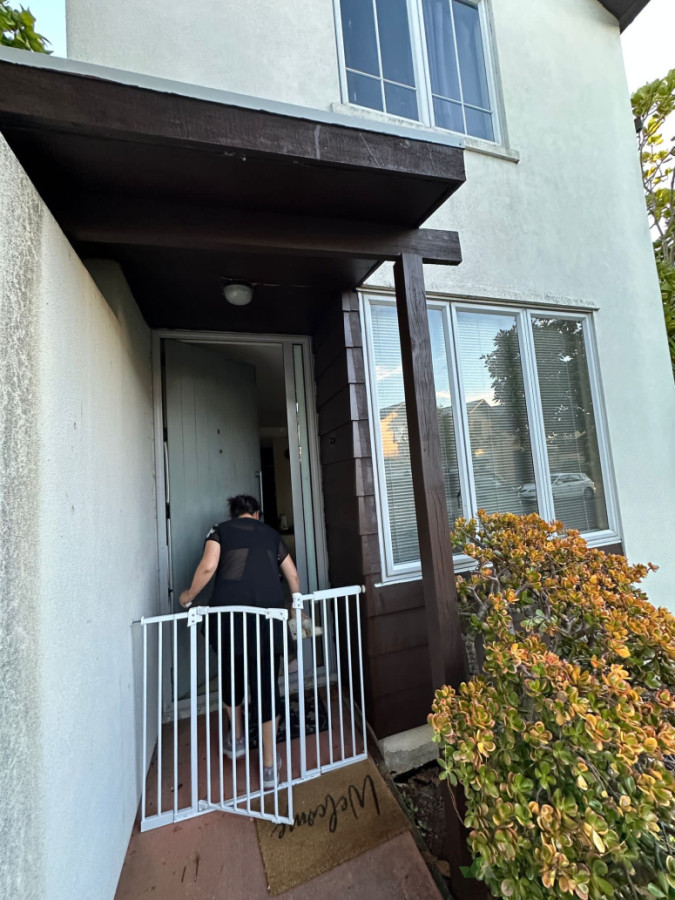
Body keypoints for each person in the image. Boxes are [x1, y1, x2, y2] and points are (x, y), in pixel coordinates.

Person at [179, 494, 300, 788]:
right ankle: (269, 766)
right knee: (266, 686)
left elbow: (208, 567)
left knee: (232, 676)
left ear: (233, 515)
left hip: (230, 622)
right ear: (256, 514)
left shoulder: (219, 530)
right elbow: (293, 575)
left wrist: (188, 596)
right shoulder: (271, 535)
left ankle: (236, 739)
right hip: (267, 622)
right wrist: (298, 608)